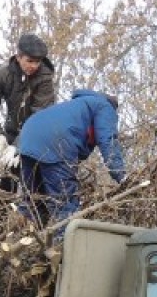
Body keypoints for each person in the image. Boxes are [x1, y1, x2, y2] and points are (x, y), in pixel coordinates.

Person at [16, 89, 126, 234]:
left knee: (34, 202)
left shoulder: (77, 104)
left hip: (27, 137)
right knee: (65, 203)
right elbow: (108, 141)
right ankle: (62, 250)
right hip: (56, 141)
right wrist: (120, 175)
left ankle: (22, 245)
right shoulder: (104, 106)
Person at [0, 33, 57, 222]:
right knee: (7, 187)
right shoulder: (4, 75)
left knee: (38, 189)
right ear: (19, 56)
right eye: (29, 61)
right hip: (12, 136)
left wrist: (20, 145)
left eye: (38, 62)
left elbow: (40, 118)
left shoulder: (45, 79)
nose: (34, 66)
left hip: (40, 139)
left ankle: (42, 235)